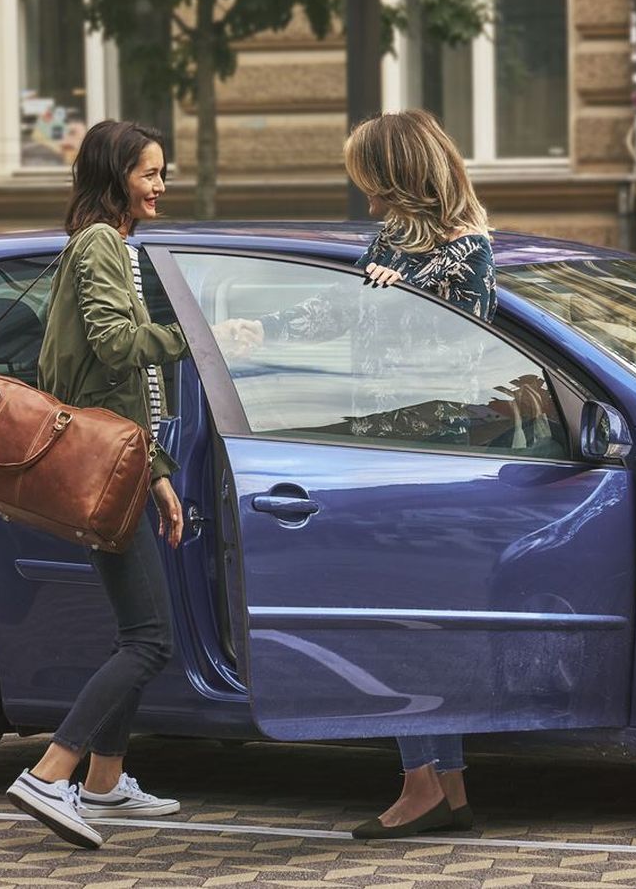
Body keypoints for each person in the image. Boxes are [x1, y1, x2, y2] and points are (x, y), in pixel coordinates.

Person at [223, 110, 496, 839]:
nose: (369, 203)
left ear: (404, 178)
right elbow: (336, 310)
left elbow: (459, 350)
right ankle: (448, 785)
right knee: (409, 624)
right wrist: (265, 329)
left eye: (374, 185)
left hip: (427, 465)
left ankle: (421, 786)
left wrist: (397, 292)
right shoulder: (393, 243)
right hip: (377, 454)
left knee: (401, 628)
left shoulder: (468, 254)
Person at [4, 119, 227, 850]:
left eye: (163, 172)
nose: (161, 185)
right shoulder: (101, 243)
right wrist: (203, 340)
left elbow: (123, 393)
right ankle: (50, 774)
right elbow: (114, 346)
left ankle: (103, 781)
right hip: (103, 467)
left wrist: (156, 476)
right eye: (148, 173)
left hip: (121, 466)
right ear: (114, 177)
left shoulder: (110, 245)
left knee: (137, 633)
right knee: (149, 640)